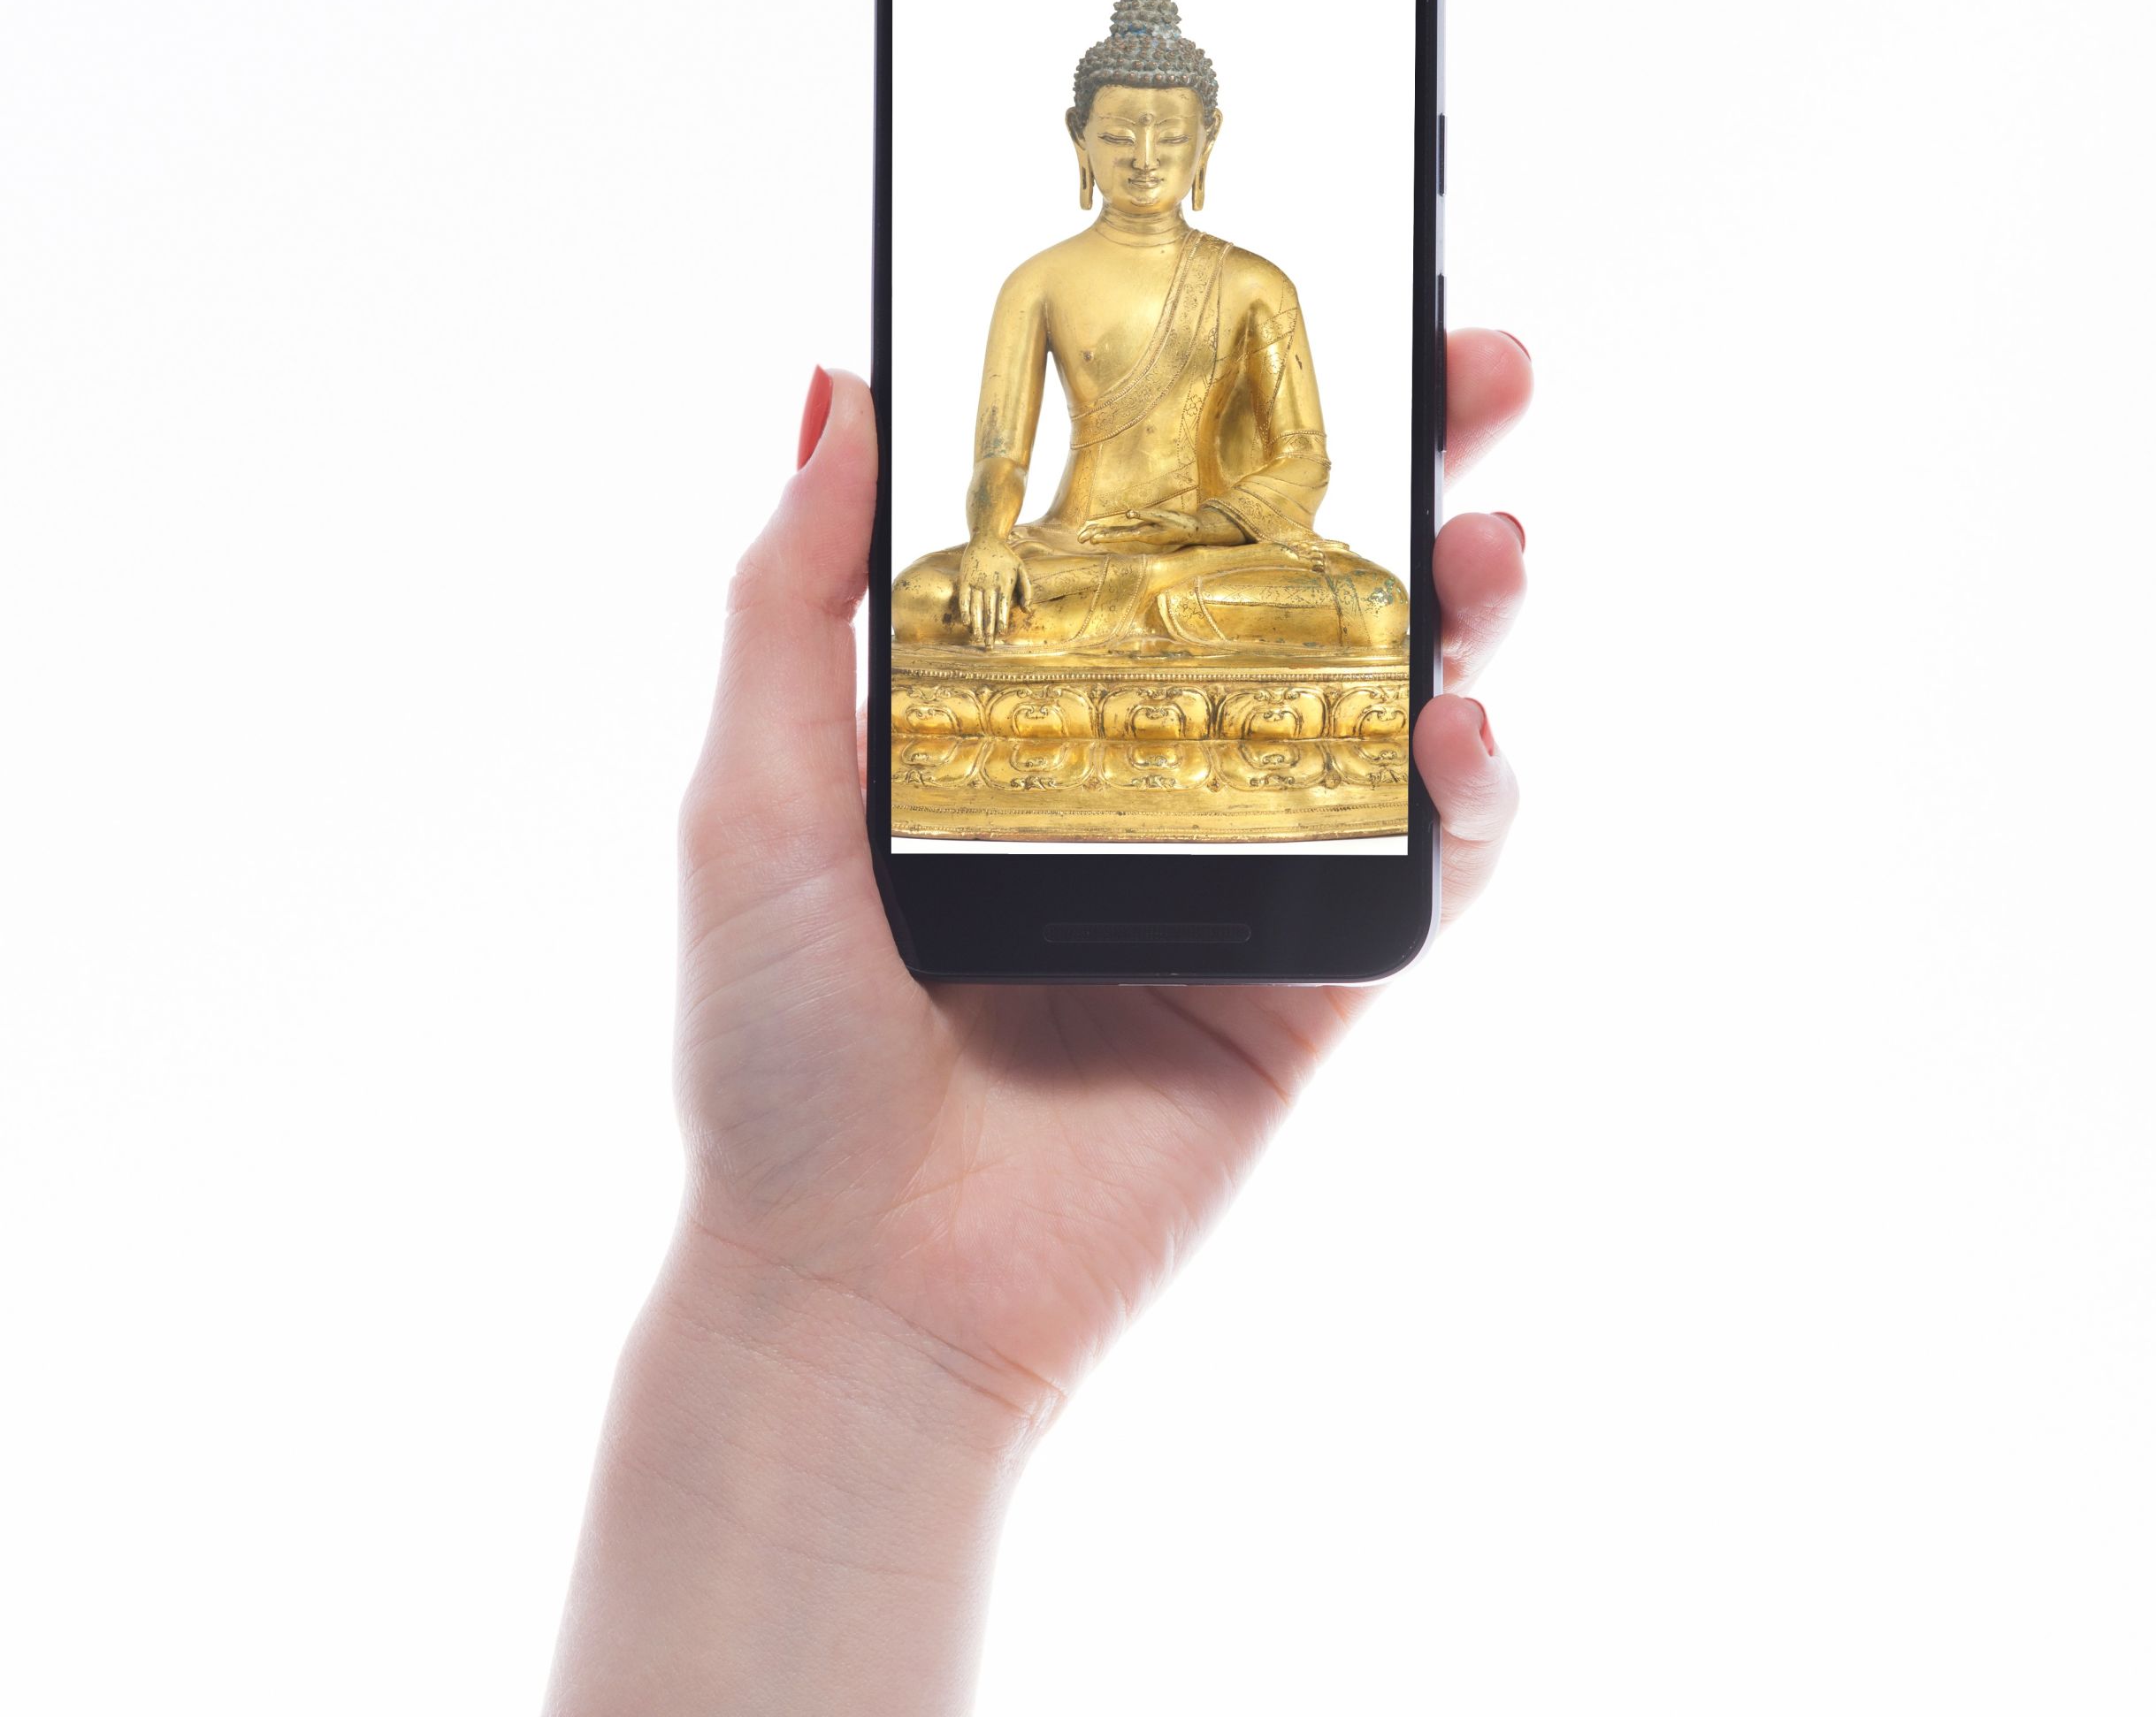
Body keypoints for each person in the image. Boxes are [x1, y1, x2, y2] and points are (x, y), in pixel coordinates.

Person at [542, 331, 1533, 1714]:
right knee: (942, 592)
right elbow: (999, 451)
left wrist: (1224, 525)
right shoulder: (1044, 282)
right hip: (1070, 559)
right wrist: (1014, 538)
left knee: (1367, 599)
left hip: (1210, 564)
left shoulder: (1248, 288)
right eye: (1119, 147)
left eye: (1175, 160)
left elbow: (1301, 458)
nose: (1153, 187)